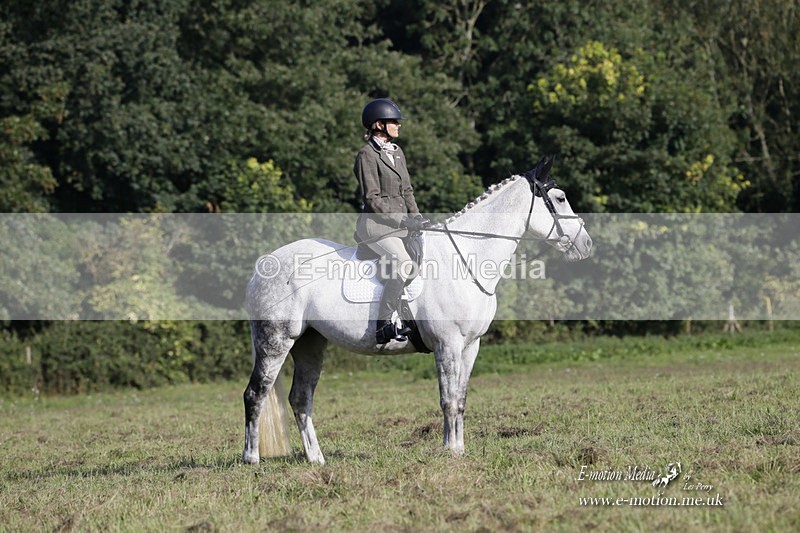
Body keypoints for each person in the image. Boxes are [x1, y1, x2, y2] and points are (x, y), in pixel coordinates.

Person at [354, 98, 429, 344]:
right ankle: (383, 325)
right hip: (377, 228)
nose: (398, 126)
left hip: (401, 226)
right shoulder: (367, 155)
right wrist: (402, 220)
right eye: (394, 122)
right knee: (405, 264)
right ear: (379, 124)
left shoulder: (397, 153)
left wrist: (416, 217)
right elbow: (372, 198)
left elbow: (407, 190)